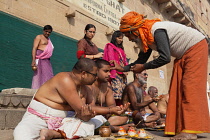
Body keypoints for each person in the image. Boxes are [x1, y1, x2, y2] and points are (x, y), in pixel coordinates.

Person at [111, 11, 210, 139]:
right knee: (176, 90)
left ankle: (190, 132)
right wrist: (122, 68)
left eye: (127, 35)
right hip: (183, 54)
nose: (129, 39)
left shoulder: (157, 31)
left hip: (196, 48)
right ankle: (181, 128)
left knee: (189, 88)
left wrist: (144, 67)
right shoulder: (146, 36)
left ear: (134, 30)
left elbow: (165, 58)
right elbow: (141, 61)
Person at [14, 58, 99, 140]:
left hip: (65, 120)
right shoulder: (64, 78)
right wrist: (111, 110)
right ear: (84, 74)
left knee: (96, 122)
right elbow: (81, 108)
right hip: (38, 117)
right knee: (21, 135)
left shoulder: (84, 88)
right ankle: (55, 133)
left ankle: (54, 134)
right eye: (95, 75)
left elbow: (83, 112)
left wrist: (85, 116)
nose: (96, 78)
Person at [86, 59, 132, 132]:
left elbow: (111, 105)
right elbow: (91, 108)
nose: (109, 74)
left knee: (124, 117)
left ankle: (105, 126)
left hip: (104, 117)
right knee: (96, 120)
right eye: (105, 71)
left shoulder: (107, 85)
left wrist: (119, 110)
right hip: (91, 117)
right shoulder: (88, 85)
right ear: (96, 71)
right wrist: (109, 110)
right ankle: (115, 128)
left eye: (109, 71)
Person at [103, 31, 128, 104]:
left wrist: (126, 69)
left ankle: (121, 108)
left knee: (123, 92)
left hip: (122, 73)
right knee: (115, 92)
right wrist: (116, 68)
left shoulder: (121, 49)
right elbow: (111, 59)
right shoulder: (110, 46)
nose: (121, 40)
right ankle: (114, 108)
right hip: (115, 72)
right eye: (119, 38)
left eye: (122, 38)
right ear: (115, 38)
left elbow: (125, 60)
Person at [31, 25, 54, 89]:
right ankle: (36, 90)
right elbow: (34, 48)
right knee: (38, 76)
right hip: (40, 58)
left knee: (48, 75)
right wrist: (33, 61)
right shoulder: (39, 37)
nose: (47, 33)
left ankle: (46, 90)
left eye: (49, 32)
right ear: (43, 31)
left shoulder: (49, 40)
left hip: (47, 60)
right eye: (46, 31)